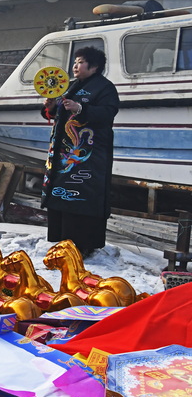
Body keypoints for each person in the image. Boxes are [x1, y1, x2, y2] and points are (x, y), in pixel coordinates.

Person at [41, 46, 119, 258]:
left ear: (93, 66)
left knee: (83, 196)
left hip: (89, 155)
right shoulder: (71, 86)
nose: (75, 66)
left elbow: (108, 113)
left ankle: (83, 245)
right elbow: (56, 111)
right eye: (75, 62)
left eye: (80, 62)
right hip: (63, 154)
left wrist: (81, 108)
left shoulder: (105, 88)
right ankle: (62, 240)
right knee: (61, 193)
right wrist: (50, 105)